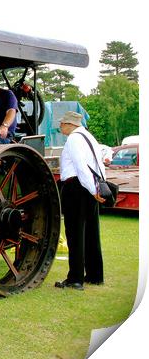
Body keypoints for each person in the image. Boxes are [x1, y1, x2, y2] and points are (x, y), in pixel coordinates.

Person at [55, 111, 105, 290]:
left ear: (71, 124)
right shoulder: (89, 137)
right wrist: (97, 189)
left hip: (77, 187)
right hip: (90, 186)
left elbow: (81, 167)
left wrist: (92, 190)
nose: (60, 126)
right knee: (92, 232)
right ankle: (95, 274)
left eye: (62, 124)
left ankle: (75, 279)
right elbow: (98, 165)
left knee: (75, 234)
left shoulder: (74, 139)